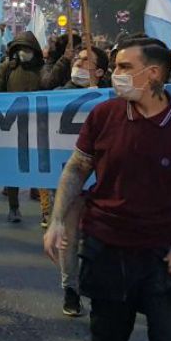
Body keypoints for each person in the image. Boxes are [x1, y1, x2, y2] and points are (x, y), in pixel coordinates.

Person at [44, 36, 171, 341]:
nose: (115, 74)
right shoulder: (104, 115)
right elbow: (78, 167)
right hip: (107, 250)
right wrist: (57, 221)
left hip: (164, 258)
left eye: (125, 67)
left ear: (153, 73)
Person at [54, 45, 110, 319]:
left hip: (106, 181)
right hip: (73, 179)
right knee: (69, 236)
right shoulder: (56, 96)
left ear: (100, 72)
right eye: (77, 59)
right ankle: (70, 289)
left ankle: (98, 285)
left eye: (86, 60)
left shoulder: (115, 101)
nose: (79, 62)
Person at [0, 32, 49, 224]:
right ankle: (13, 207)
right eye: (20, 49)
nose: (24, 53)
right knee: (14, 168)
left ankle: (46, 210)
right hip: (14, 123)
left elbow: (49, 86)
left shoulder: (43, 69)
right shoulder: (6, 69)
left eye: (27, 49)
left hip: (39, 125)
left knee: (43, 168)